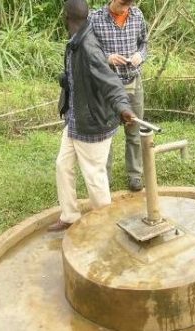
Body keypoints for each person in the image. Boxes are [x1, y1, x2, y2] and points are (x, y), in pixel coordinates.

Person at [48, 0, 136, 231]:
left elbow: (111, 82)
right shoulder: (76, 41)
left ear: (67, 17)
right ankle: (69, 216)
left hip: (93, 122)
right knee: (62, 165)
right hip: (76, 117)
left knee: (95, 178)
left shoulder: (88, 47)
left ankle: (107, 226)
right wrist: (68, 80)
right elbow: (83, 77)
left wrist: (123, 107)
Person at [90, 0, 148, 192]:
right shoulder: (95, 18)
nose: (125, 8)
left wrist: (141, 55)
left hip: (132, 82)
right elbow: (88, 50)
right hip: (107, 86)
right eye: (122, 4)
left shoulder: (137, 15)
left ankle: (135, 175)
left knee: (134, 129)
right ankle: (104, 179)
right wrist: (107, 57)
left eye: (128, 5)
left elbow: (144, 43)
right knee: (107, 133)